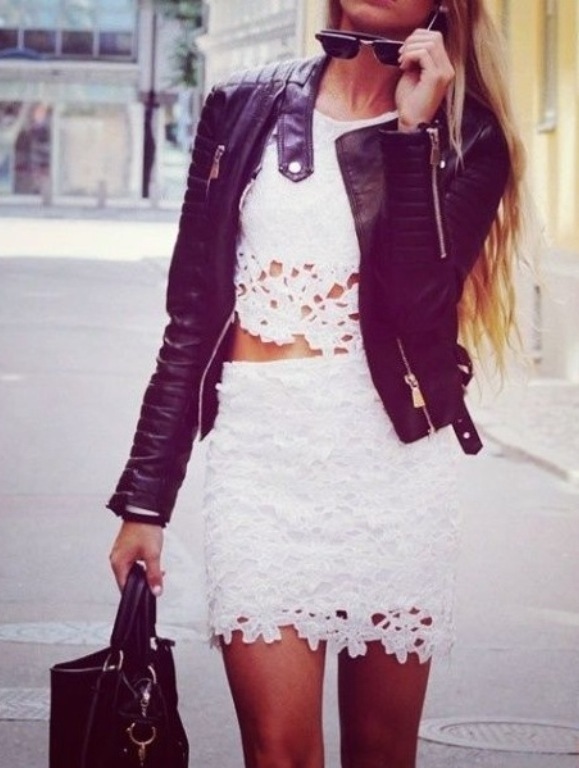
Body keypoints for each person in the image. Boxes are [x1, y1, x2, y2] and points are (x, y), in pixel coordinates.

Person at [108, 1, 526, 765]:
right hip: (261, 463)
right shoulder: (241, 106)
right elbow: (193, 317)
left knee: (378, 751)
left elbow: (418, 312)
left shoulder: (468, 138)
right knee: (277, 751)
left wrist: (410, 139)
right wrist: (145, 501)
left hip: (392, 467)